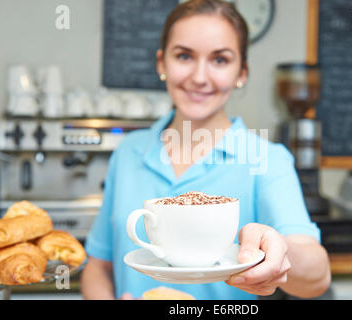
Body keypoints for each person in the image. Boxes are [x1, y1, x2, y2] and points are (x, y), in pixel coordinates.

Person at [80, 0, 330, 300]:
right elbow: (98, 265)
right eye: (184, 56)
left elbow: (317, 276)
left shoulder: (267, 160)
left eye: (220, 60)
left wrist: (279, 251)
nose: (199, 77)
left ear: (242, 72)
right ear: (162, 63)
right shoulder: (128, 153)